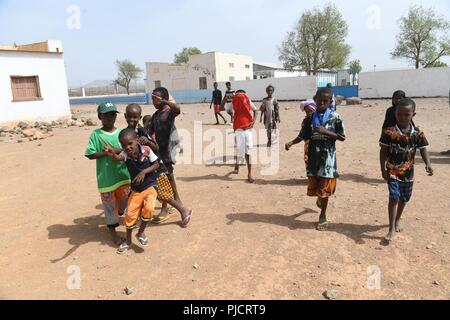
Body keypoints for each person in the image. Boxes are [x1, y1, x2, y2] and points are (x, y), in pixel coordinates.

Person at [285, 88, 346, 231]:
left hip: (327, 160)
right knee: (315, 187)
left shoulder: (335, 117)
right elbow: (302, 136)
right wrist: (291, 143)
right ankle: (320, 198)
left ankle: (322, 215)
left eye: (326, 101)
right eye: (320, 100)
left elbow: (342, 137)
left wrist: (326, 132)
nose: (322, 103)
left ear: (330, 101)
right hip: (313, 158)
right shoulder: (309, 118)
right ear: (315, 100)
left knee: (325, 188)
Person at [125, 104, 193, 227]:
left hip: (153, 169)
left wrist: (148, 142)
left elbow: (156, 147)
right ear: (125, 116)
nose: (132, 119)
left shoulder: (142, 131)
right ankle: (138, 219)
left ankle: (184, 210)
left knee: (163, 193)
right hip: (139, 169)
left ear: (139, 117)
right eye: (129, 116)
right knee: (139, 193)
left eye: (135, 117)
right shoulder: (127, 132)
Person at [379, 98, 434, 242]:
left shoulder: (417, 133)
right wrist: (382, 169)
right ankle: (391, 228)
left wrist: (428, 164)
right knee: (394, 197)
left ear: (413, 115)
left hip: (408, 173)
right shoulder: (389, 132)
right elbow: (383, 151)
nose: (403, 117)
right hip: (393, 170)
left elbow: (423, 149)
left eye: (406, 114)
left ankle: (397, 219)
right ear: (395, 114)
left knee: (404, 198)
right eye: (400, 114)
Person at [104, 128, 159, 254]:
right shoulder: (125, 154)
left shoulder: (146, 150)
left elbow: (156, 164)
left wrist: (143, 172)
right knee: (129, 216)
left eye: (130, 144)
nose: (127, 147)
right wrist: (111, 153)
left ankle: (140, 232)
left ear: (137, 140)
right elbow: (117, 158)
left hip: (150, 185)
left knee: (149, 209)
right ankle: (128, 241)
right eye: (123, 145)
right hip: (136, 189)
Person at [85, 103, 131, 247]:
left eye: (113, 114)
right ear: (100, 117)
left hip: (123, 176)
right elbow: (90, 154)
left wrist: (114, 150)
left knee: (126, 201)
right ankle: (113, 232)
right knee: (109, 206)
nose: (111, 117)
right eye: (107, 115)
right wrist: (105, 153)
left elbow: (127, 149)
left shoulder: (121, 133)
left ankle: (123, 215)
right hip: (106, 180)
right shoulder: (96, 135)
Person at [146, 87, 184, 222]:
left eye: (156, 99)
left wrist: (165, 101)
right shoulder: (156, 115)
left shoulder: (169, 112)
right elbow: (150, 132)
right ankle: (174, 202)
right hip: (158, 151)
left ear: (163, 99)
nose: (154, 102)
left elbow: (177, 109)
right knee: (166, 177)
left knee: (167, 177)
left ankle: (167, 207)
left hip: (166, 150)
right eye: (152, 99)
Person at [232, 90, 258, 183]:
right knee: (240, 150)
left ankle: (249, 174)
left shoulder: (248, 101)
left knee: (248, 152)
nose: (241, 97)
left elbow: (255, 110)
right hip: (239, 129)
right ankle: (237, 165)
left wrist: (253, 122)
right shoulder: (234, 102)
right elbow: (224, 107)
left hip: (247, 129)